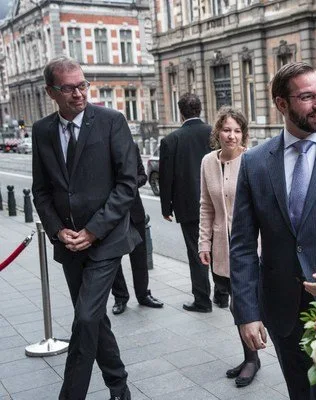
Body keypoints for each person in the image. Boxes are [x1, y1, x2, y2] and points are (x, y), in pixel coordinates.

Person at [229, 61, 316, 399]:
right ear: (282, 104)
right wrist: (246, 313)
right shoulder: (255, 162)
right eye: (307, 97)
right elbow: (243, 245)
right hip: (281, 310)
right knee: (300, 392)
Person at [32, 56, 139, 400]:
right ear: (51, 91)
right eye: (69, 88)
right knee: (93, 319)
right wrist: (57, 230)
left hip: (105, 240)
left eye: (82, 85)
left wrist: (92, 230)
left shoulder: (111, 121)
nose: (79, 93)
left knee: (84, 320)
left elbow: (127, 184)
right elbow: (42, 190)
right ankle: (119, 387)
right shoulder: (42, 131)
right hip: (68, 243)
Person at [198, 106, 260, 386]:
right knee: (238, 305)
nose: (231, 136)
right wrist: (204, 242)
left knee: (245, 302)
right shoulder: (208, 162)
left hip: (252, 247)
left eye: (237, 130)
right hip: (223, 246)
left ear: (243, 134)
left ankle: (254, 357)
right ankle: (251, 358)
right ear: (217, 132)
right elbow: (206, 206)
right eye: (226, 130)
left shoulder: (252, 161)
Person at [159, 93, 213, 312]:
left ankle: (202, 300)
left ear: (180, 111)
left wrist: (166, 207)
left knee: (196, 252)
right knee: (219, 248)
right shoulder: (214, 133)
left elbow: (166, 177)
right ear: (200, 109)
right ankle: (222, 294)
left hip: (189, 206)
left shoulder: (171, 140)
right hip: (216, 201)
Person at [111, 144, 163, 315]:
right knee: (113, 257)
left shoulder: (131, 146)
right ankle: (120, 297)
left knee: (140, 256)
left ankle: (143, 295)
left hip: (134, 210)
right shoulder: (98, 146)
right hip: (109, 213)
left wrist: (129, 184)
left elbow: (142, 176)